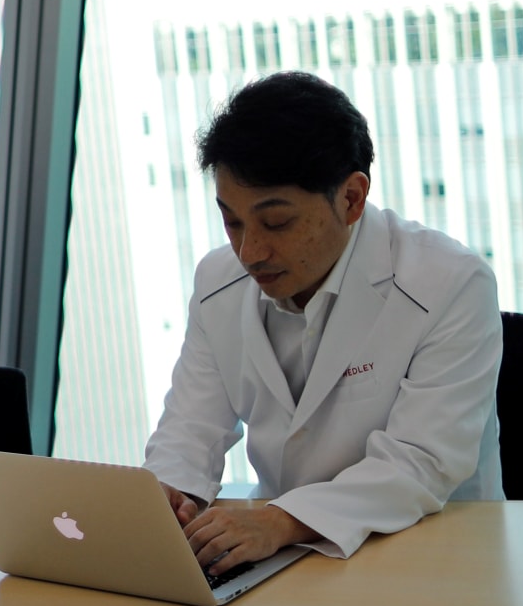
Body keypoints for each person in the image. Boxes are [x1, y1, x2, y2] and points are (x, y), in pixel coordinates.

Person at [145, 70, 502, 579]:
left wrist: (280, 521)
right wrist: (169, 495)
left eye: (276, 223)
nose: (250, 252)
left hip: (434, 560)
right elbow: (189, 427)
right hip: (291, 566)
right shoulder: (217, 282)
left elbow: (421, 464)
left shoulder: (451, 282)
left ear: (352, 199)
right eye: (232, 221)